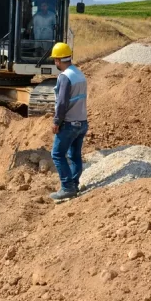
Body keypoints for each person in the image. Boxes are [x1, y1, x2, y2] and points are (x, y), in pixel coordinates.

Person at [48, 42, 88, 201]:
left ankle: (67, 187)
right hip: (82, 122)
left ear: (58, 60)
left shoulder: (65, 77)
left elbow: (62, 103)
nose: (55, 62)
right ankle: (74, 184)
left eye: (55, 60)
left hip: (70, 123)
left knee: (57, 154)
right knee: (75, 155)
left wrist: (56, 121)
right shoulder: (79, 74)